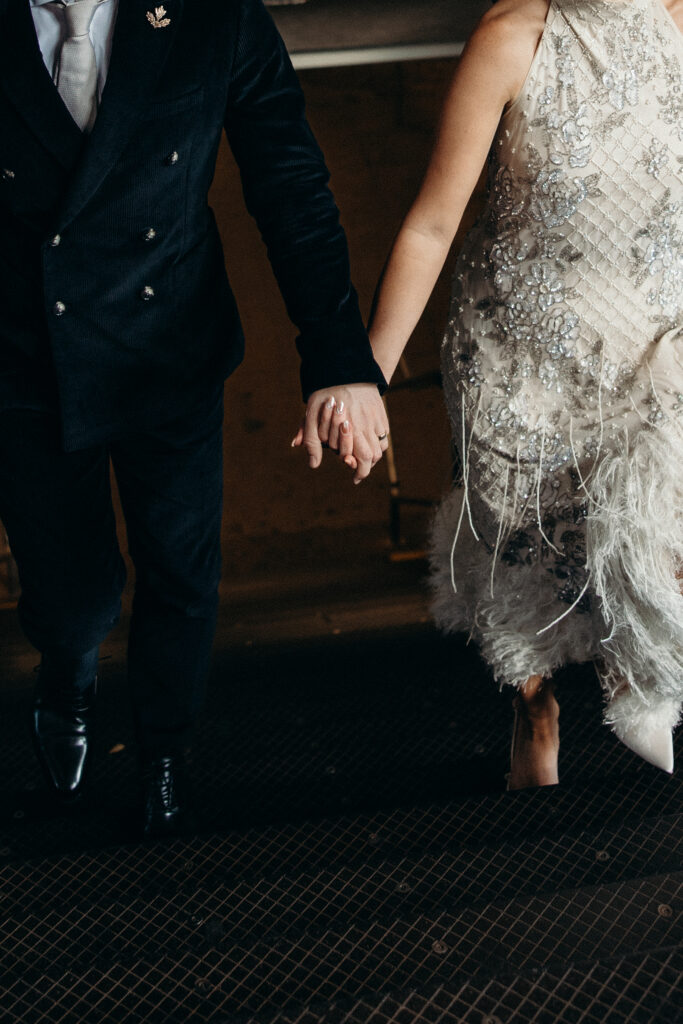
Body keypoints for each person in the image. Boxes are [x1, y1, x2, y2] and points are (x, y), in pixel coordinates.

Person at [0, 0, 390, 836]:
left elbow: (289, 182)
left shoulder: (216, 14)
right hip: (24, 355)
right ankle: (67, 670)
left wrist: (338, 361)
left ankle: (165, 759)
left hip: (168, 345)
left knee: (180, 574)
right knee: (75, 601)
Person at [368, 0, 682, 788]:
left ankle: (638, 667)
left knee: (656, 514)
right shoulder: (511, 37)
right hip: (521, 353)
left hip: (653, 337)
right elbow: (430, 227)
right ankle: (532, 707)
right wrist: (364, 374)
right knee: (522, 553)